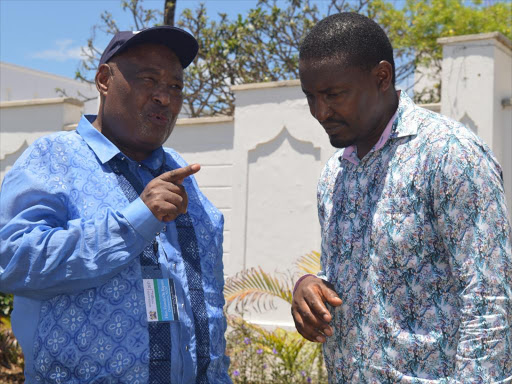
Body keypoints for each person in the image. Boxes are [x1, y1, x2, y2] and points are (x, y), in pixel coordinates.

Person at [0, 26, 231, 383]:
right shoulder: (53, 159)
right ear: (104, 80)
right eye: (149, 79)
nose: (165, 98)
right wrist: (136, 220)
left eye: (175, 86)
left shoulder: (183, 175)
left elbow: (208, 306)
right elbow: (11, 261)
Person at [291, 12, 511, 383]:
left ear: (382, 77)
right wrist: (309, 288)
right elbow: (354, 280)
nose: (320, 112)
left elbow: (488, 302)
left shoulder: (449, 154)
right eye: (310, 97)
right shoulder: (334, 175)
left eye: (333, 95)